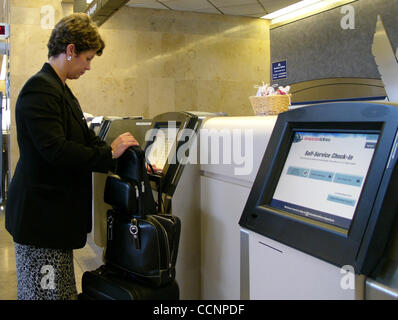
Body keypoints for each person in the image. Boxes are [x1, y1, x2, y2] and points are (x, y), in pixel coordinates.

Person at [5, 12, 138, 300]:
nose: (89, 67)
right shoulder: (40, 89)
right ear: (69, 51)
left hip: (53, 222)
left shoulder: (60, 89)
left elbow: (84, 137)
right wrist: (109, 154)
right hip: (39, 222)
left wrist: (116, 153)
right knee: (45, 293)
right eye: (87, 58)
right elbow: (56, 150)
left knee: (59, 293)